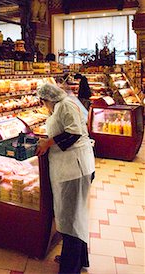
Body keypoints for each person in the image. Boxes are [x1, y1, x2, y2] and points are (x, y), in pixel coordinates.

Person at [36, 83, 95, 274]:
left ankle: (70, 268)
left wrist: (48, 142)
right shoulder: (61, 106)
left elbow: (74, 133)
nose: (43, 105)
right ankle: (78, 257)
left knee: (71, 219)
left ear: (47, 99)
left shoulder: (65, 105)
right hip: (69, 168)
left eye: (43, 101)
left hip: (74, 169)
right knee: (74, 216)